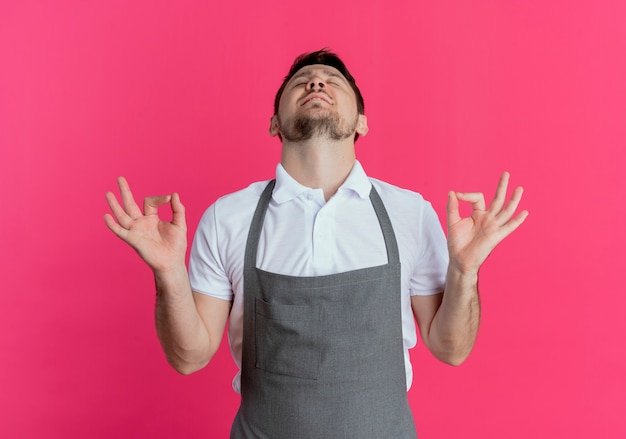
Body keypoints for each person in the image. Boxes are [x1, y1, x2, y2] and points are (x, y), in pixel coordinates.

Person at [104, 49, 528, 438]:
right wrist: (168, 274)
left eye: (332, 80)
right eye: (302, 81)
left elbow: (451, 348)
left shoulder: (410, 213)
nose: (317, 83)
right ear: (274, 122)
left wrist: (465, 272)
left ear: (362, 121)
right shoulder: (228, 217)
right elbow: (189, 357)